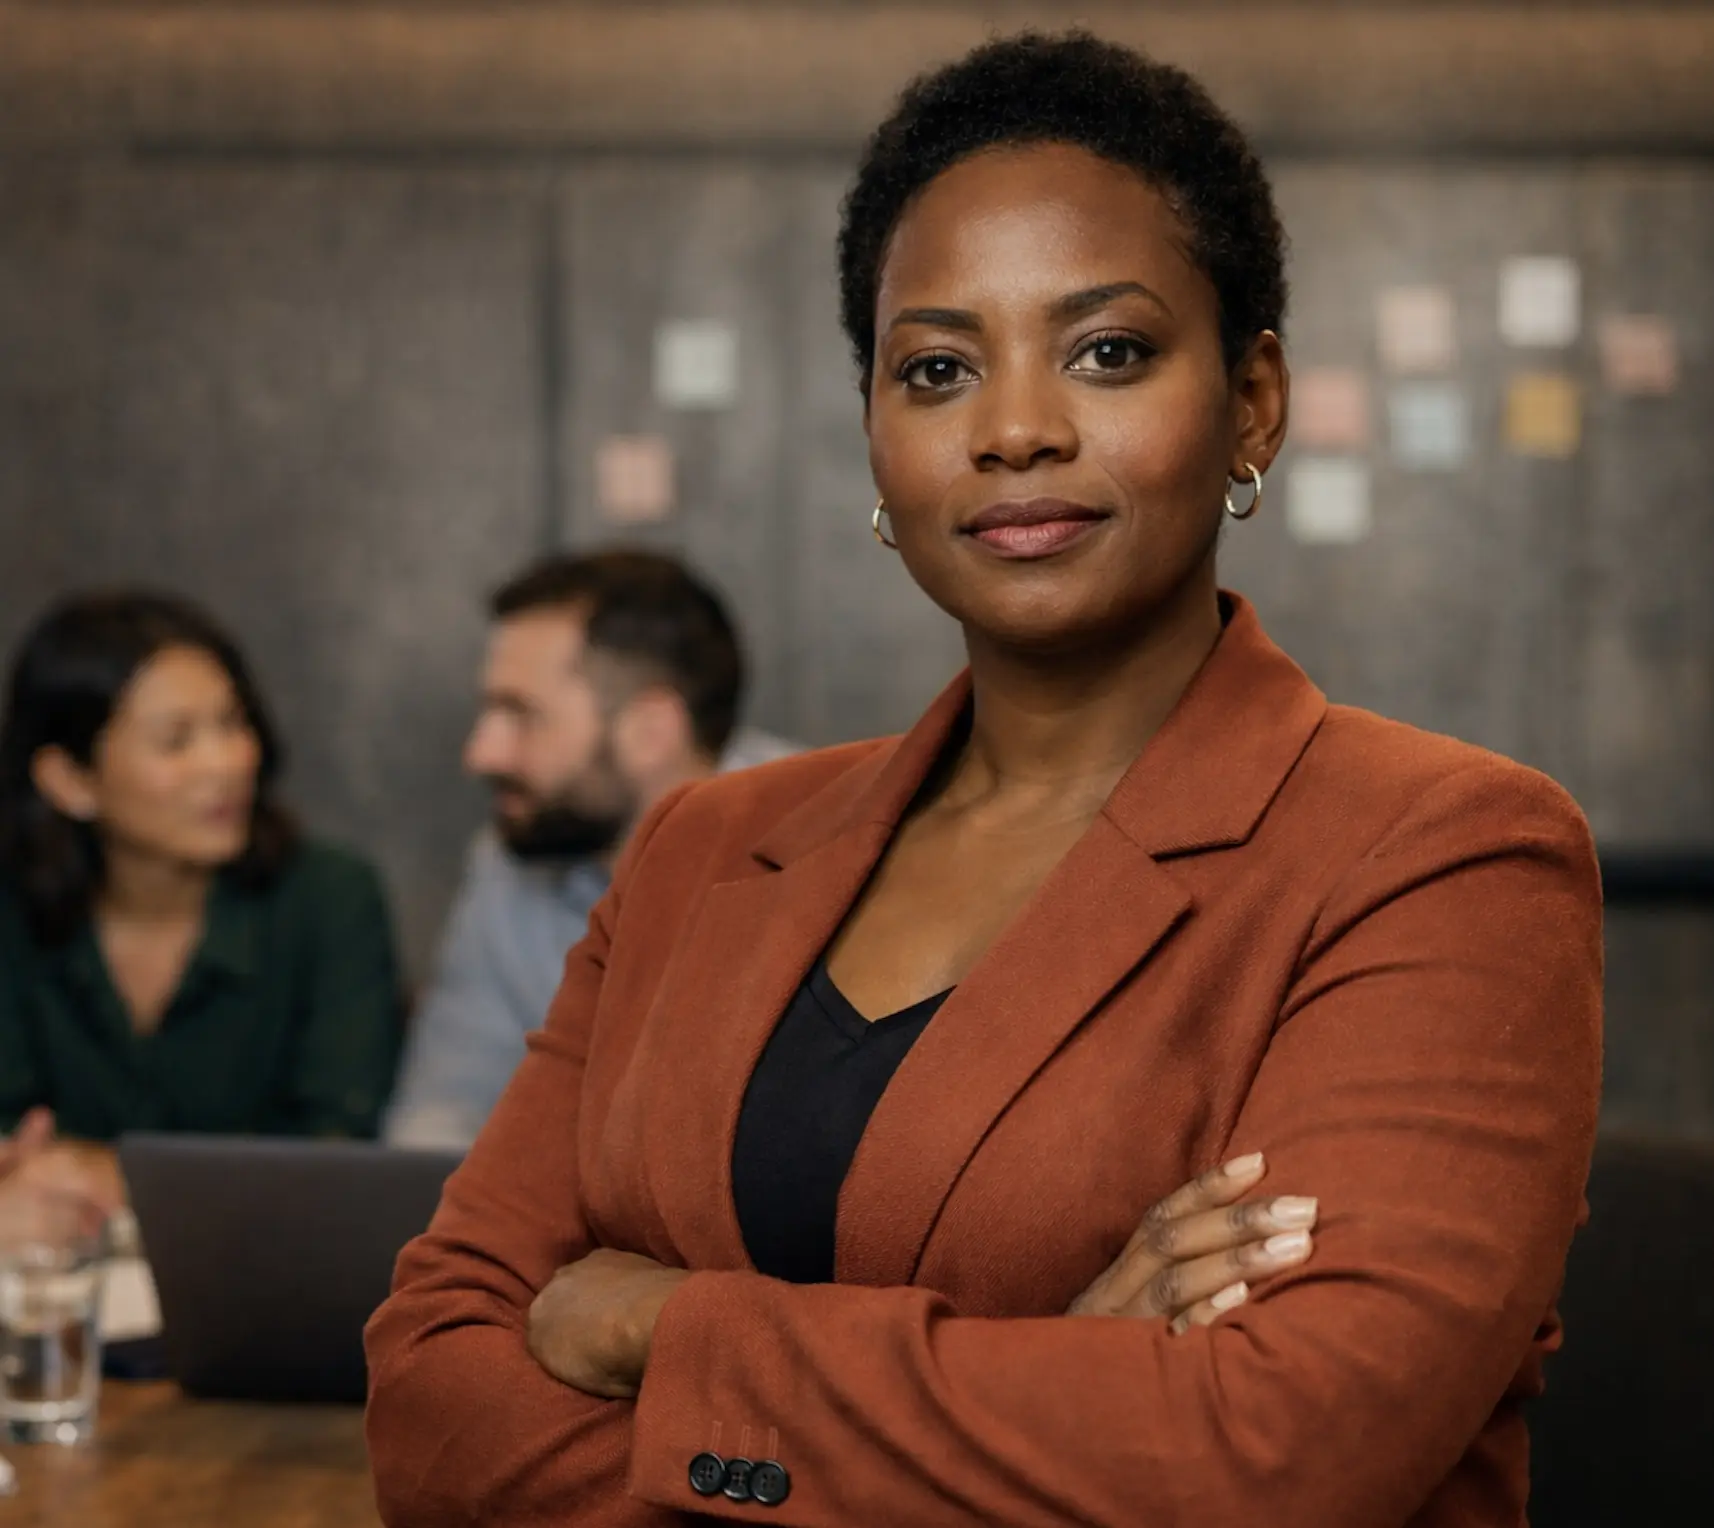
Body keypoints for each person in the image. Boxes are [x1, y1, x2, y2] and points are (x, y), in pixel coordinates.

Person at [365, 32, 1602, 1528]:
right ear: (875, 435)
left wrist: (657, 1328)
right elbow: (431, 1411)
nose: (1015, 430)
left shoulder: (1443, 854)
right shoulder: (703, 844)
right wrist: (1059, 1374)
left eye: (1107, 351)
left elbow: (1272, 1463)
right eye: (938, 369)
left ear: (1252, 400)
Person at [0, 592, 403, 1213]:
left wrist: (109, 1175)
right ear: (69, 780)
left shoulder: (328, 897)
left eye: (233, 724)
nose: (227, 764)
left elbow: (338, 1150)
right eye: (176, 740)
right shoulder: (13, 911)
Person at [385, 549, 794, 1151]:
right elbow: (442, 1117)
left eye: (520, 714)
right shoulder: (507, 864)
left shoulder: (834, 842)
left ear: (650, 731)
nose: (482, 753)